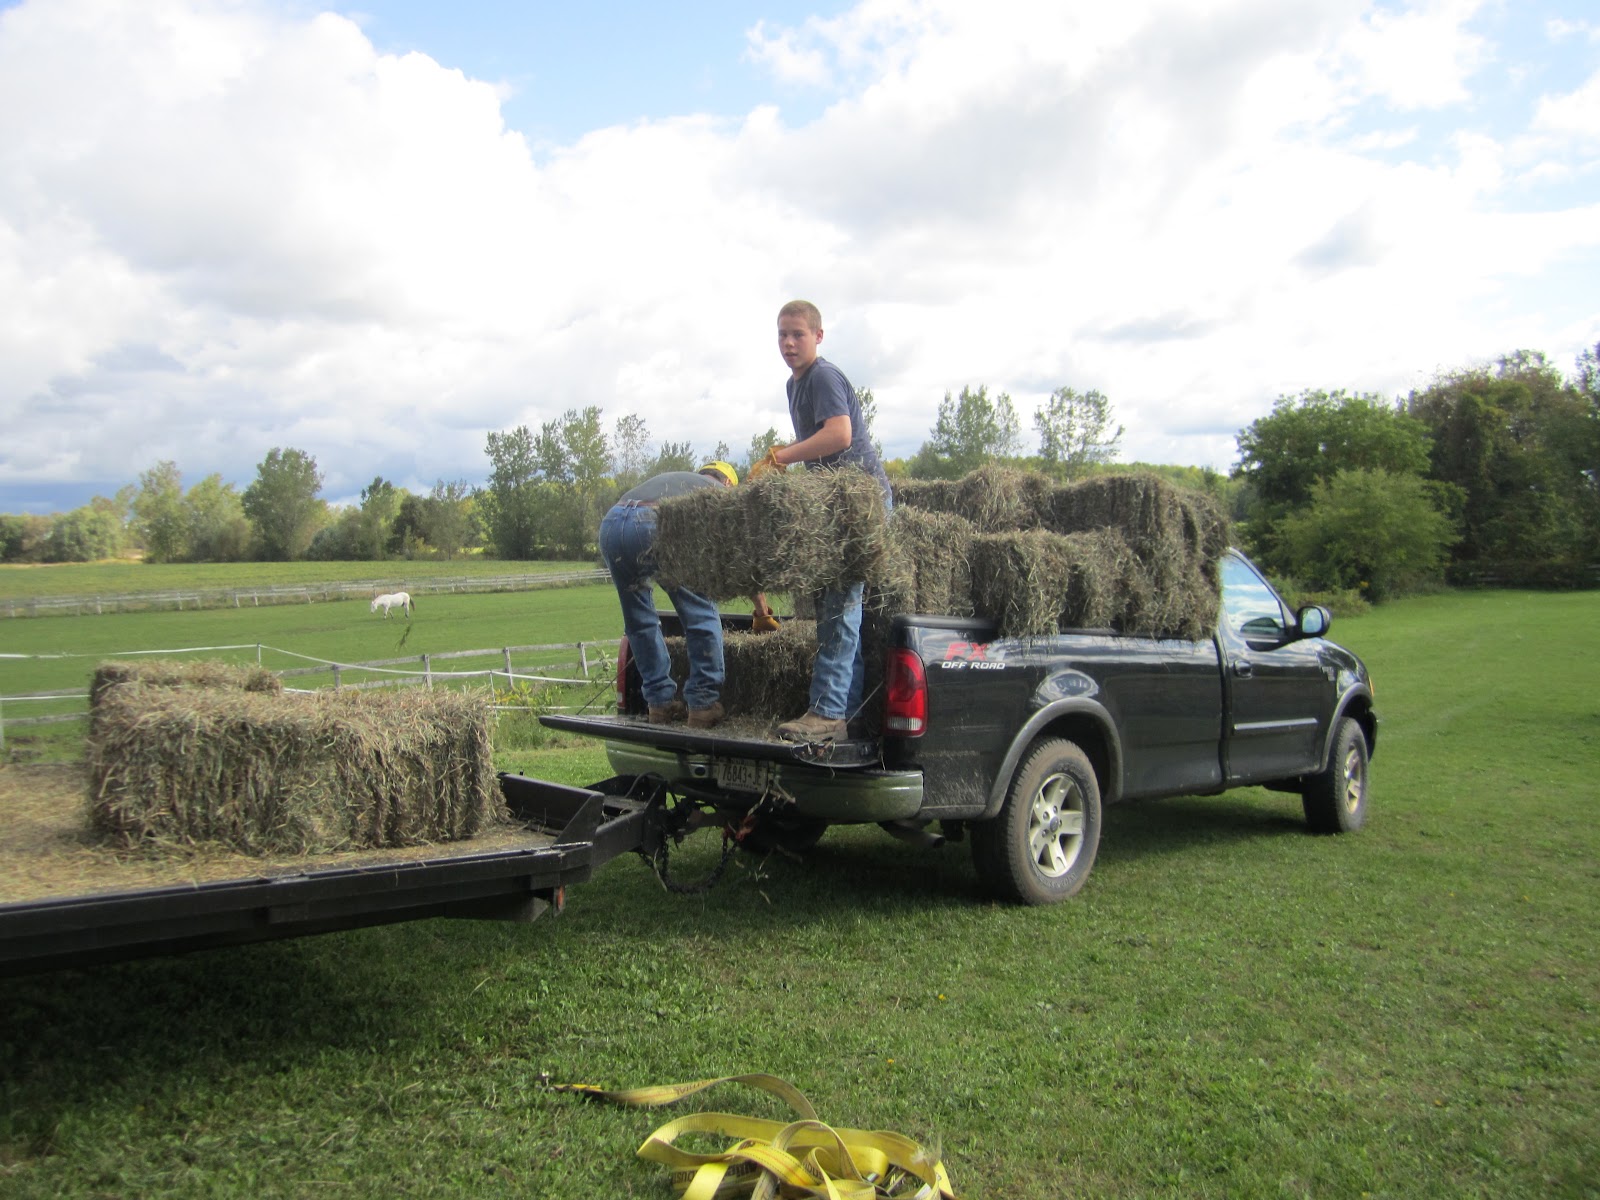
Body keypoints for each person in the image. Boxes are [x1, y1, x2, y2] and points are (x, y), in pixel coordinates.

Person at [759, 300, 892, 743]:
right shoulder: (794, 384)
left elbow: (839, 434)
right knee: (835, 606)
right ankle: (846, 711)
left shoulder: (823, 376)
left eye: (798, 334)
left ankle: (829, 713)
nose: (788, 343)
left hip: (860, 502)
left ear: (818, 336)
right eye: (782, 335)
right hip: (834, 503)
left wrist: (782, 457)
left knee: (841, 603)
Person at [599, 462, 777, 730]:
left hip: (612, 525)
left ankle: (659, 703)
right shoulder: (719, 495)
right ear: (728, 483)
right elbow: (745, 561)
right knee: (700, 614)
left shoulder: (677, 481)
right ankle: (703, 704)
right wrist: (762, 611)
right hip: (653, 523)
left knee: (639, 620)